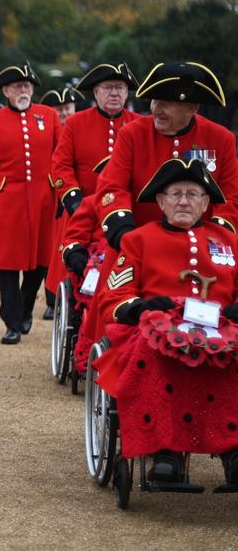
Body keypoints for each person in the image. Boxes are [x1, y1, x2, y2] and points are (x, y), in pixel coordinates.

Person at [94, 158, 238, 485]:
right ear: (160, 202)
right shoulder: (138, 240)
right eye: (175, 194)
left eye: (193, 194)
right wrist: (141, 306)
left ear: (205, 203)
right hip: (155, 328)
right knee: (154, 352)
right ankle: (164, 452)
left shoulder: (229, 241)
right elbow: (115, 295)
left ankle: (233, 450)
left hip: (223, 327)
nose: (184, 201)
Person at [96, 61, 238, 250]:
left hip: (201, 248)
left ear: (192, 108)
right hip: (139, 245)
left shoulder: (221, 139)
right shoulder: (132, 134)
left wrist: (216, 238)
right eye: (154, 101)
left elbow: (231, 198)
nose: (155, 109)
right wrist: (125, 234)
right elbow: (112, 187)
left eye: (164, 104)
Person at [0, 63, 61, 344]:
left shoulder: (48, 116)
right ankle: (11, 322)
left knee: (39, 262)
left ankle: (25, 308)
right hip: (7, 201)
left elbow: (60, 159)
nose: (24, 90)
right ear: (6, 91)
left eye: (28, 85)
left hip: (43, 200)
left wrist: (61, 193)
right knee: (7, 264)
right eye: (18, 86)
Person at [46, 63, 140, 318]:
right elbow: (60, 164)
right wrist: (73, 197)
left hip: (127, 213)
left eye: (120, 88)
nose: (115, 93)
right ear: (96, 92)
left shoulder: (140, 125)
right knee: (77, 268)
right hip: (84, 209)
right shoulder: (75, 123)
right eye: (108, 88)